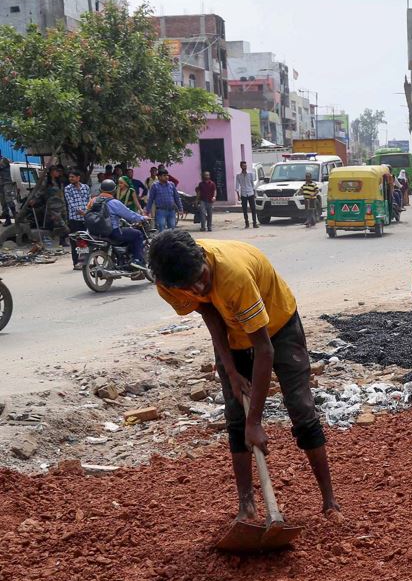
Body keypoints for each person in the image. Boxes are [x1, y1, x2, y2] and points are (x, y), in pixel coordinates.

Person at [147, 230, 343, 525]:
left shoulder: (233, 273)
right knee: (236, 416)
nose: (200, 287)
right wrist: (230, 370)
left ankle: (330, 501)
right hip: (231, 330)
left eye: (202, 277)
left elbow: (265, 349)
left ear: (202, 256)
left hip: (278, 324)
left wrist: (257, 422)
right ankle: (247, 507)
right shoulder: (169, 283)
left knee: (300, 407)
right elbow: (208, 311)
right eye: (191, 286)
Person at [87, 178, 148, 267]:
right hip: (112, 232)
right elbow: (130, 215)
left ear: (100, 190)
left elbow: (87, 212)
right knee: (137, 234)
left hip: (94, 232)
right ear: (114, 190)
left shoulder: (93, 200)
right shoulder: (114, 202)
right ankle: (137, 260)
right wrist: (142, 218)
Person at [63, 168, 90, 269]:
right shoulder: (68, 189)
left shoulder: (85, 187)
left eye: (72, 177)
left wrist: (87, 212)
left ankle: (83, 261)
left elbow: (89, 199)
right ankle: (76, 262)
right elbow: (71, 204)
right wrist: (81, 212)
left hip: (85, 218)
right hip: (74, 219)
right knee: (75, 241)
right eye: (70, 177)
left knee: (84, 240)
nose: (71, 178)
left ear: (78, 178)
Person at [235, 161, 259, 229]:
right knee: (244, 210)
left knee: (253, 209)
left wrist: (254, 193)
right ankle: (247, 223)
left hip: (250, 193)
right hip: (243, 194)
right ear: (241, 166)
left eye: (245, 166)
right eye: (243, 166)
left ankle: (255, 223)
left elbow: (252, 184)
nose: (244, 167)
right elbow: (237, 186)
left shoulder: (250, 174)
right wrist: (238, 196)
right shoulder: (238, 175)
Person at [0, 157, 15, 227]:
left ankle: (16, 216)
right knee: (3, 203)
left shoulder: (4, 160)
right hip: (0, 184)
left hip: (7, 183)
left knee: (9, 200)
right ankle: (7, 219)